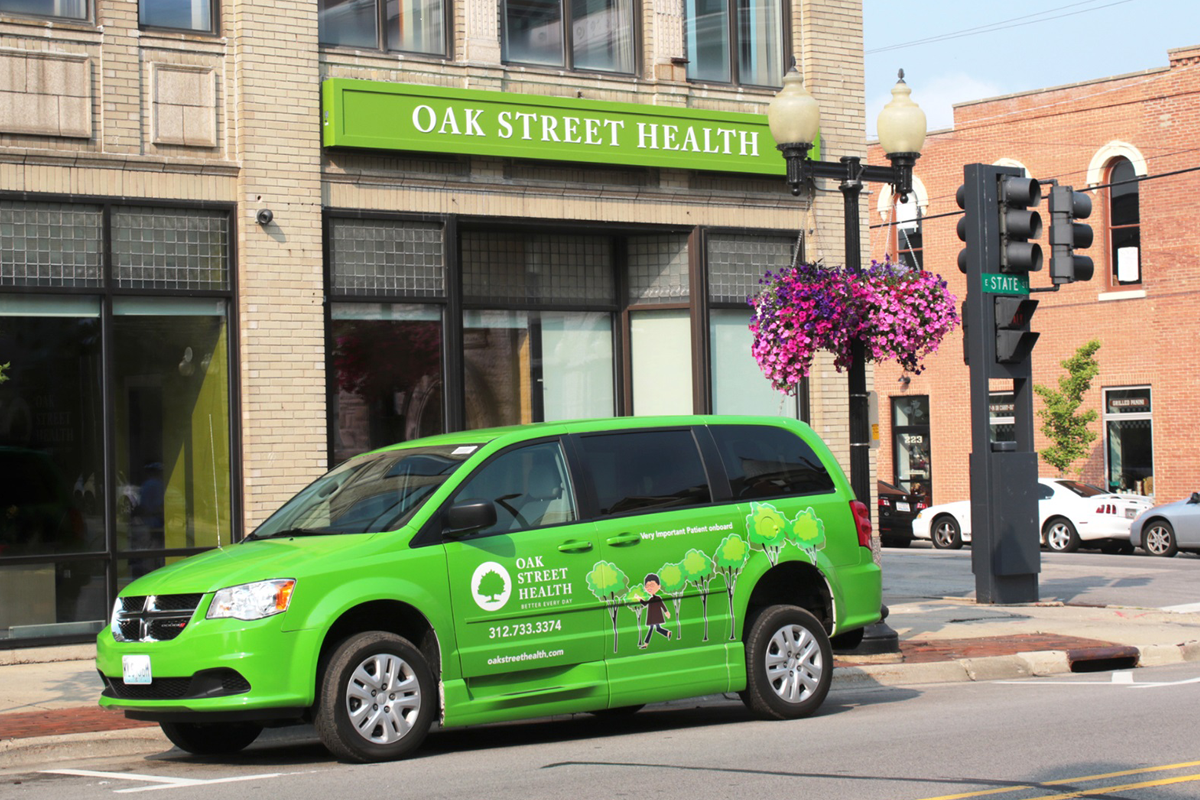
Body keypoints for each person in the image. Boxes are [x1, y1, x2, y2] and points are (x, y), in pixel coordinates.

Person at [639, 573, 672, 649]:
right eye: (647, 586)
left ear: (659, 586)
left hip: (655, 617)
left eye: (652, 585)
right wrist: (639, 599)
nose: (649, 588)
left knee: (651, 629)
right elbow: (645, 604)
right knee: (657, 629)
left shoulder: (658, 598)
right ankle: (667, 633)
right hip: (653, 617)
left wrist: (666, 612)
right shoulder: (651, 599)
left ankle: (646, 644)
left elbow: (662, 605)